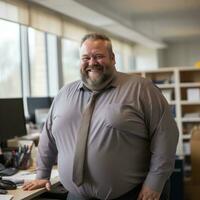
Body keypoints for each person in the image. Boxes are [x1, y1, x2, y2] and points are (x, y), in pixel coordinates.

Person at [23, 33, 179, 200]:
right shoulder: (64, 94)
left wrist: (155, 182)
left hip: (131, 194)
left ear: (112, 58)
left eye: (98, 56)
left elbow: (165, 137)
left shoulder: (141, 89)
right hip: (76, 196)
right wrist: (42, 174)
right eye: (86, 57)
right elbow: (48, 136)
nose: (92, 62)